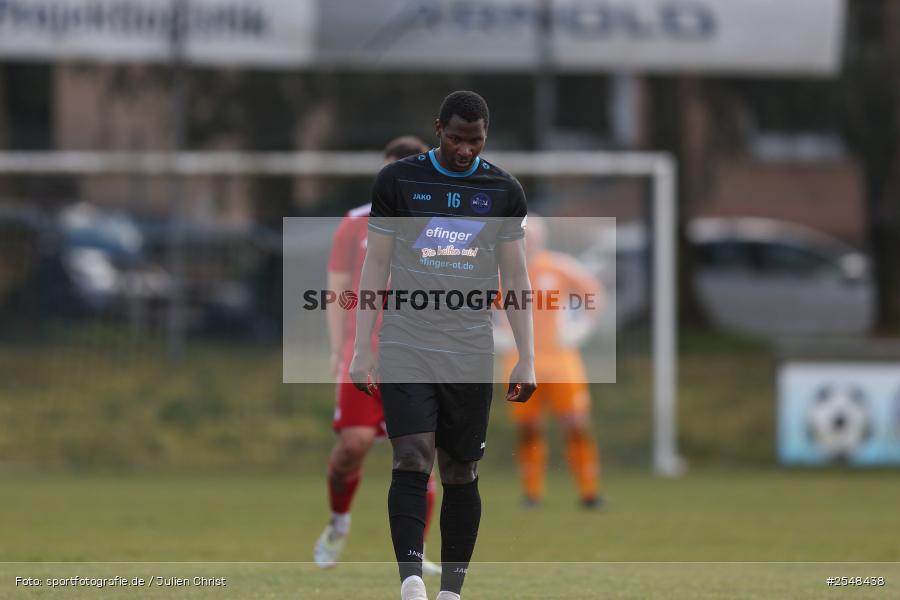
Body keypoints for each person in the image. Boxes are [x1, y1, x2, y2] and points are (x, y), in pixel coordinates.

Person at [350, 90, 536, 600]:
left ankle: (452, 591)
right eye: (455, 138)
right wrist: (362, 347)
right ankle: (411, 581)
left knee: (460, 468)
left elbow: (516, 278)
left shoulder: (504, 190)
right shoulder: (398, 180)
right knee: (411, 455)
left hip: (470, 347)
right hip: (406, 339)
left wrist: (527, 356)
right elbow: (376, 265)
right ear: (438, 129)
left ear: (485, 137)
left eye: (474, 141)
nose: (464, 150)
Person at [314, 136, 442, 576]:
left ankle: (414, 553)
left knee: (418, 456)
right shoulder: (355, 224)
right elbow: (336, 290)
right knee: (353, 445)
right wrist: (337, 350)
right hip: (363, 352)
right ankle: (338, 521)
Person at [501, 215, 605, 509]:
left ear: (541, 238)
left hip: (560, 360)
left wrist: (580, 327)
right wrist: (497, 333)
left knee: (575, 423)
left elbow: (594, 293)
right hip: (520, 361)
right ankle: (531, 493)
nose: (527, 240)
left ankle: (589, 491)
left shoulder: (558, 266)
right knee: (529, 427)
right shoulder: (502, 271)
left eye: (531, 234)